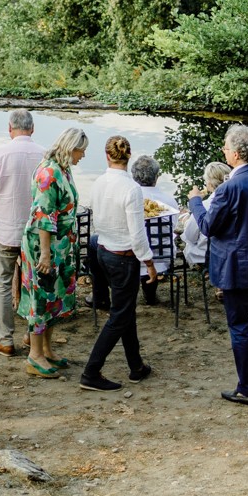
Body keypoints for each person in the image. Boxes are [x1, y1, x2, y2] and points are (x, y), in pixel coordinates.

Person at [188, 123, 248, 407]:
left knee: (240, 326)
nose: (224, 151)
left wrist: (195, 202)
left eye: (226, 147)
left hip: (235, 266)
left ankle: (247, 388)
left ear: (237, 153)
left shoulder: (228, 189)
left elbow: (207, 226)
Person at [79, 136, 158, 392]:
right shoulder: (131, 189)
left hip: (103, 250)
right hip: (123, 257)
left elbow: (97, 220)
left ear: (106, 156)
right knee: (119, 315)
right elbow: (137, 234)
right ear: (129, 156)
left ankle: (136, 366)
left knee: (125, 311)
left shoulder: (99, 182)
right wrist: (150, 263)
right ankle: (91, 371)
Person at [0, 108, 43, 357]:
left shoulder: (0, 153)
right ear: (32, 129)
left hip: (4, 230)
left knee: (1, 284)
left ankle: (5, 339)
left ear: (9, 128)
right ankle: (30, 335)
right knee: (33, 285)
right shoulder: (44, 155)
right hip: (35, 233)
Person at [17, 127, 86, 378]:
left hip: (60, 247)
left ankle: (46, 349)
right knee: (42, 298)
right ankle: (34, 356)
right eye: (82, 150)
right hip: (43, 247)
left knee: (54, 298)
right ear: (70, 148)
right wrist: (45, 254)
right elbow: (44, 217)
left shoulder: (63, 169)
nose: (84, 155)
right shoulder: (48, 173)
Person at [131, 154, 180, 306]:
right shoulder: (169, 201)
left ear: (133, 176)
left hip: (134, 257)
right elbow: (174, 227)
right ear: (156, 177)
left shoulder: (130, 199)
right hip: (163, 256)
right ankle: (150, 294)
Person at [179, 162, 230, 267]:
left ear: (210, 184)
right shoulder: (236, 200)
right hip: (231, 252)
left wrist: (186, 221)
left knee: (190, 243)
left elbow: (190, 236)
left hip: (208, 255)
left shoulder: (205, 205)